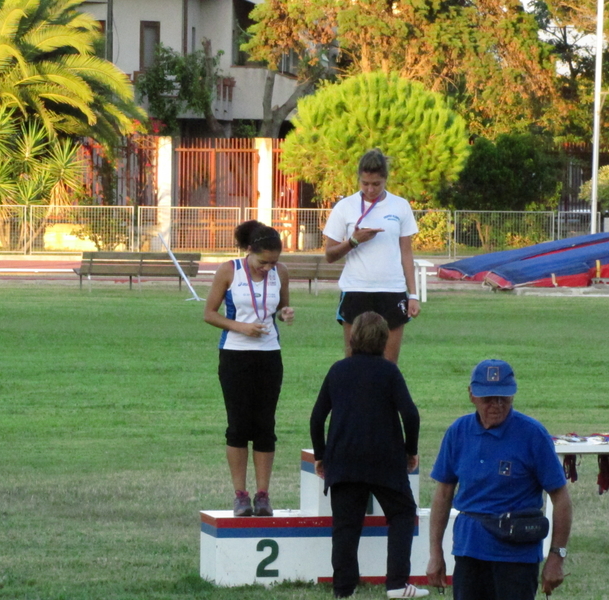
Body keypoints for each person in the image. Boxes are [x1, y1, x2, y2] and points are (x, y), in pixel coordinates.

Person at [425, 359, 573, 600]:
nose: (496, 405)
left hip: (516, 555)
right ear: (471, 395)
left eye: (503, 398)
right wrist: (435, 553)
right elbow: (443, 494)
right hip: (468, 550)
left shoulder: (532, 434)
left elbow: (561, 498)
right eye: (488, 398)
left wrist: (556, 557)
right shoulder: (458, 432)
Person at [310, 311, 429, 599]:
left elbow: (317, 418)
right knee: (402, 513)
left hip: (345, 458)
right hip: (384, 458)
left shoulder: (338, 370)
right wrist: (410, 450)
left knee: (346, 528)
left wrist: (321, 455)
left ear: (352, 338)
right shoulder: (389, 371)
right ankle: (397, 583)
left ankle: (343, 589)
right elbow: (410, 415)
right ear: (385, 340)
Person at [204, 220, 295, 517]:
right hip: (235, 355)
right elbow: (209, 313)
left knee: (265, 426)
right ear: (250, 251)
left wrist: (285, 312)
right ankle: (240, 495)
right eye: (262, 262)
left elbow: (281, 308)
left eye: (273, 263)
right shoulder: (229, 270)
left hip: (269, 355)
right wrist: (240, 326)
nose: (267, 268)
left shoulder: (281, 272)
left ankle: (263, 495)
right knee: (238, 426)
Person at [323, 149, 421, 364]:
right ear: (358, 179)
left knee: (388, 363)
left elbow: (406, 252)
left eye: (376, 184)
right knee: (353, 362)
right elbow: (329, 255)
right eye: (365, 183)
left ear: (385, 179)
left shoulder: (400, 206)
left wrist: (413, 295)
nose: (370, 189)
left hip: (392, 290)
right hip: (356, 289)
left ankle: (384, 399)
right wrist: (353, 241)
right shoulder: (345, 207)